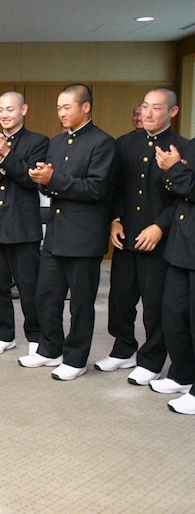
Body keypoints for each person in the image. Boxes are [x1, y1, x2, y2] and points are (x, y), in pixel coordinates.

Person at [20, 84, 117, 380]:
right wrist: (42, 179)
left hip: (85, 236)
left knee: (80, 303)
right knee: (46, 295)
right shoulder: (57, 142)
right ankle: (51, 349)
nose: (61, 113)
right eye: (58, 108)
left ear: (85, 107)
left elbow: (97, 188)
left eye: (67, 107)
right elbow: (50, 184)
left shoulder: (103, 143)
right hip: (57, 233)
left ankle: (75, 359)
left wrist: (54, 180)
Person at [95, 88, 188, 385]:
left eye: (156, 108)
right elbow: (115, 188)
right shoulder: (124, 144)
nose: (147, 113)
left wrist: (160, 226)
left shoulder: (183, 148)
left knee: (154, 304)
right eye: (145, 106)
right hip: (126, 235)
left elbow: (182, 199)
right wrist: (114, 220)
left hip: (159, 240)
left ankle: (151, 360)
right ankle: (124, 349)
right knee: (120, 299)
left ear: (172, 112)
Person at [0, 91, 49, 356]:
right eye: (0, 110)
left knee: (29, 285)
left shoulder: (38, 142)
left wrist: (6, 156)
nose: (4, 115)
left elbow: (31, 180)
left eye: (10, 109)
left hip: (23, 225)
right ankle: (3, 334)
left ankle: (36, 335)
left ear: (23, 110)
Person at [150, 138, 195, 414]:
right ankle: (183, 374)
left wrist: (176, 169)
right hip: (182, 242)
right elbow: (178, 190)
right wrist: (175, 171)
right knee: (174, 314)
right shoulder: (191, 145)